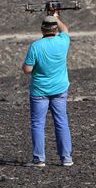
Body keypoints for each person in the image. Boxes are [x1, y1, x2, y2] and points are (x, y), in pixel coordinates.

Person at [21, 11, 73, 167]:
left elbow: (27, 69)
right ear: (55, 29)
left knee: (38, 124)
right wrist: (56, 17)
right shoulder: (63, 41)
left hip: (40, 91)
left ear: (42, 30)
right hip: (59, 89)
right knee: (62, 122)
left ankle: (39, 159)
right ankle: (66, 158)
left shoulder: (36, 46)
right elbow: (66, 30)